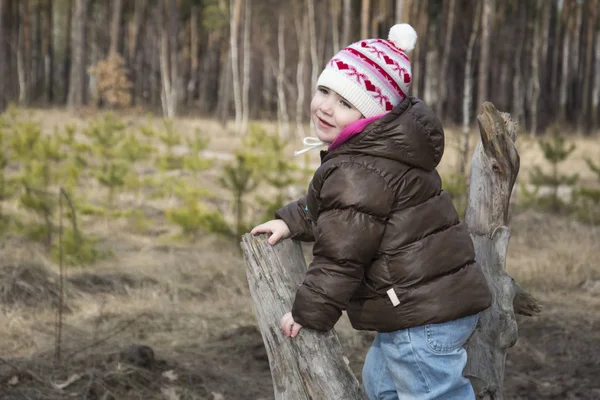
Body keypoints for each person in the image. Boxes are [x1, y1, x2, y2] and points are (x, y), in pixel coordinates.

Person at [251, 23, 492, 400]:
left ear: (372, 116)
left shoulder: (359, 168)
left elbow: (341, 254)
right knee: (382, 387)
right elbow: (343, 209)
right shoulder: (381, 154)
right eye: (324, 91)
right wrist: (291, 219)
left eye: (346, 103)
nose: (327, 107)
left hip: (420, 315)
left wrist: (307, 312)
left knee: (431, 395)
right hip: (431, 303)